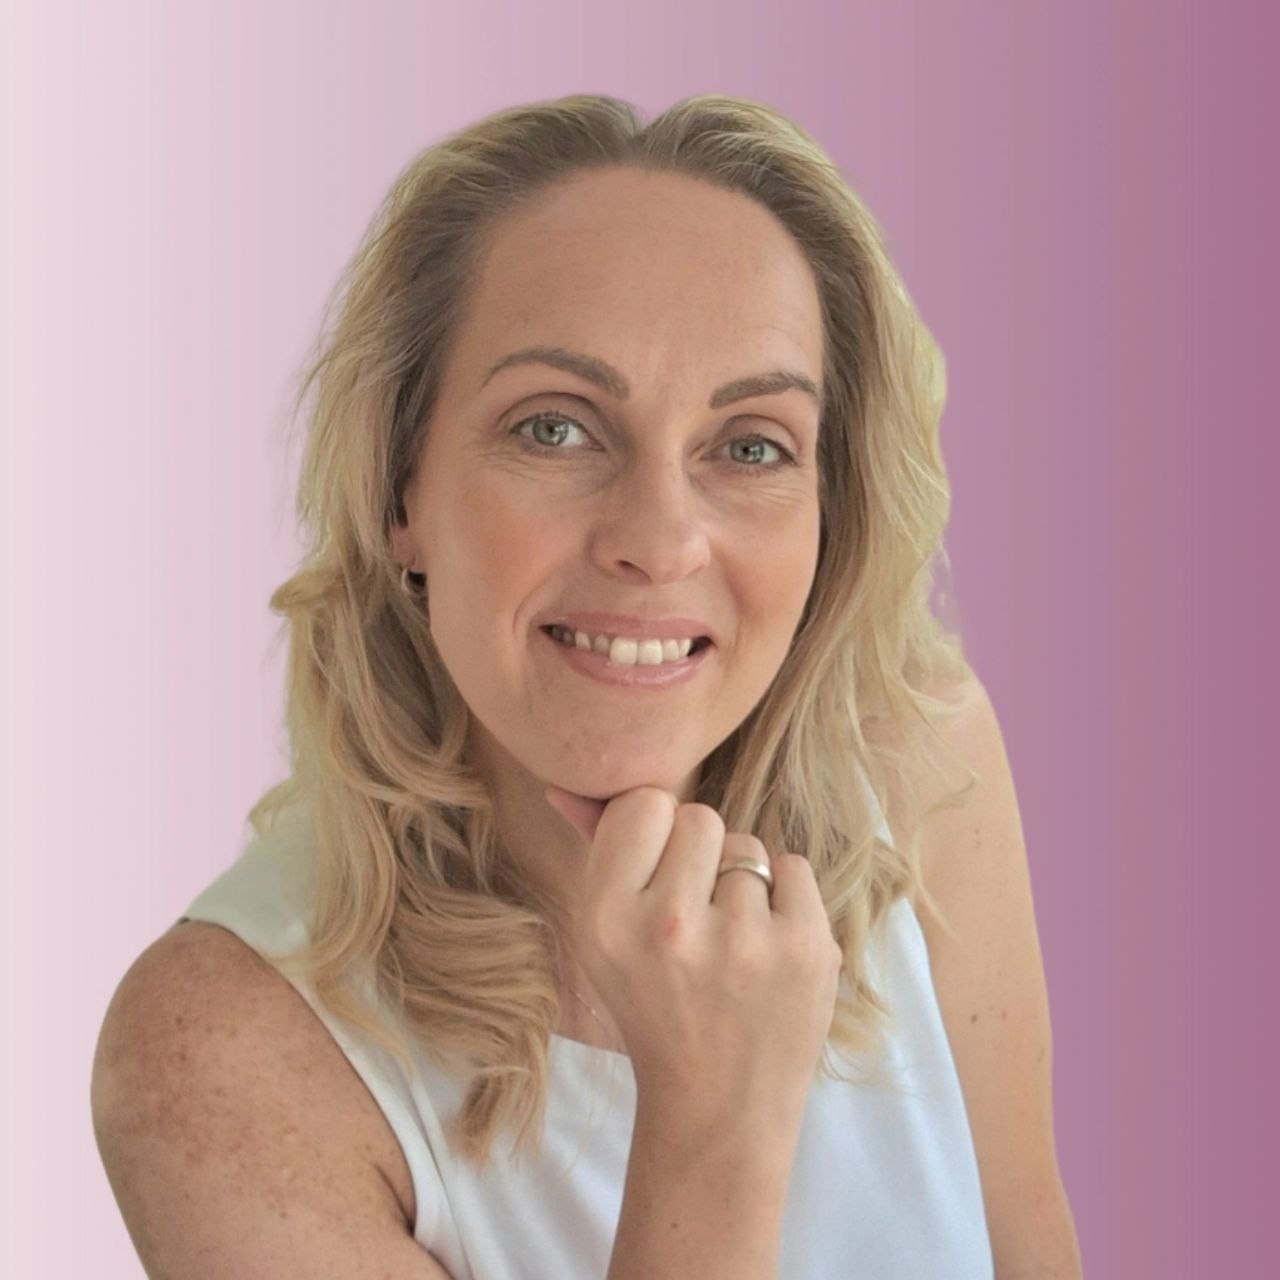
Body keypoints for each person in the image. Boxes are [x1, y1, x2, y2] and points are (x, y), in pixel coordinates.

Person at [90, 94, 1082, 1279]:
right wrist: (709, 1120)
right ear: (401, 492)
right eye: (554, 429)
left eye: (751, 445)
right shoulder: (218, 1049)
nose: (656, 542)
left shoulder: (917, 761)